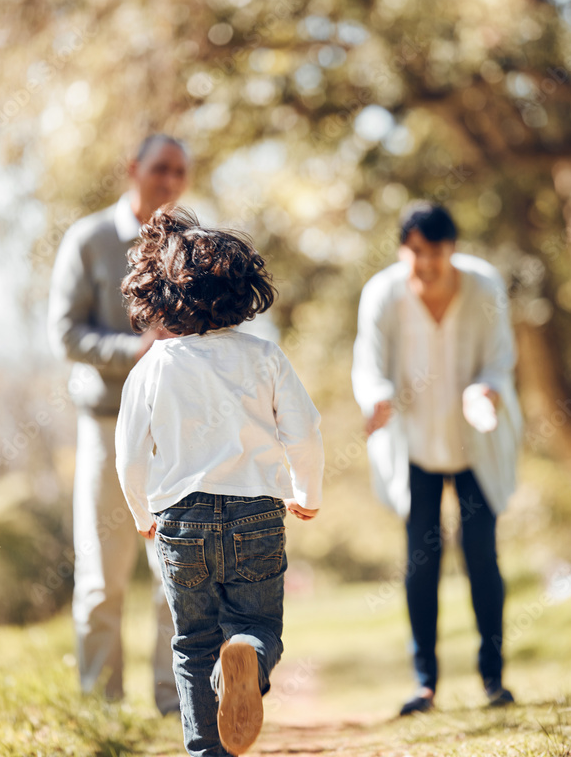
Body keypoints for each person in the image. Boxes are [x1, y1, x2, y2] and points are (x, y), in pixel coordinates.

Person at [114, 206, 324, 757]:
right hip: (256, 510)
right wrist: (308, 493)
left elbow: (129, 457)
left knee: (193, 643)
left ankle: (208, 750)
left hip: (180, 521)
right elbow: (305, 433)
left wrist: (143, 518)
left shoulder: (154, 366)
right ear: (241, 288)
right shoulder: (264, 357)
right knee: (257, 623)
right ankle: (249, 655)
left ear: (159, 294)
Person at [351, 201, 523, 715]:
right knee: (420, 565)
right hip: (415, 448)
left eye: (438, 252)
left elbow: (500, 359)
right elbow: (369, 364)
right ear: (405, 250)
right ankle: (425, 683)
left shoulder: (485, 285)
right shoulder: (382, 293)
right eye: (417, 252)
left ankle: (493, 679)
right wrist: (377, 398)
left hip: (476, 443)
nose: (427, 264)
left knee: (482, 557)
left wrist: (486, 393)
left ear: (453, 248)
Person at [47, 133, 190, 713]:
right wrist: (132, 350)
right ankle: (101, 711)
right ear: (132, 168)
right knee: (102, 577)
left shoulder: (187, 244)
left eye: (180, 172)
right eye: (160, 169)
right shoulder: (89, 239)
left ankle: (172, 703)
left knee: (176, 573)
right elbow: (64, 333)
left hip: (175, 429)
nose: (170, 181)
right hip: (106, 424)